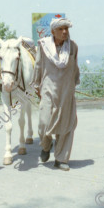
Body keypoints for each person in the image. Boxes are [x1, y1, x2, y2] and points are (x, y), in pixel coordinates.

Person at [31, 18, 80, 171]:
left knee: (66, 124)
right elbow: (38, 66)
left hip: (66, 91)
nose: (65, 32)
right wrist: (36, 85)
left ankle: (61, 159)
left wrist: (74, 84)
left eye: (66, 28)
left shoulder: (72, 47)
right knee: (44, 123)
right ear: (53, 31)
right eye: (61, 29)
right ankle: (46, 146)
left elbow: (75, 67)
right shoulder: (43, 46)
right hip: (48, 90)